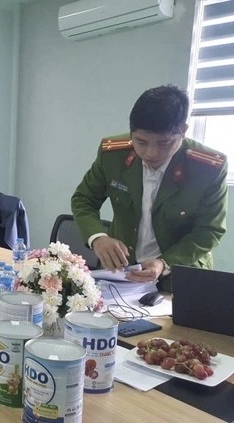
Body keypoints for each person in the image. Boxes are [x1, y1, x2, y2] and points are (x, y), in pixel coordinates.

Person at [71, 85, 228, 290]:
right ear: (131, 133)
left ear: (183, 131)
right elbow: (83, 199)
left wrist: (164, 263)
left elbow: (210, 230)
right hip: (122, 271)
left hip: (180, 272)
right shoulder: (113, 154)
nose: (151, 153)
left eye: (164, 143)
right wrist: (98, 237)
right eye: (141, 142)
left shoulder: (208, 169)